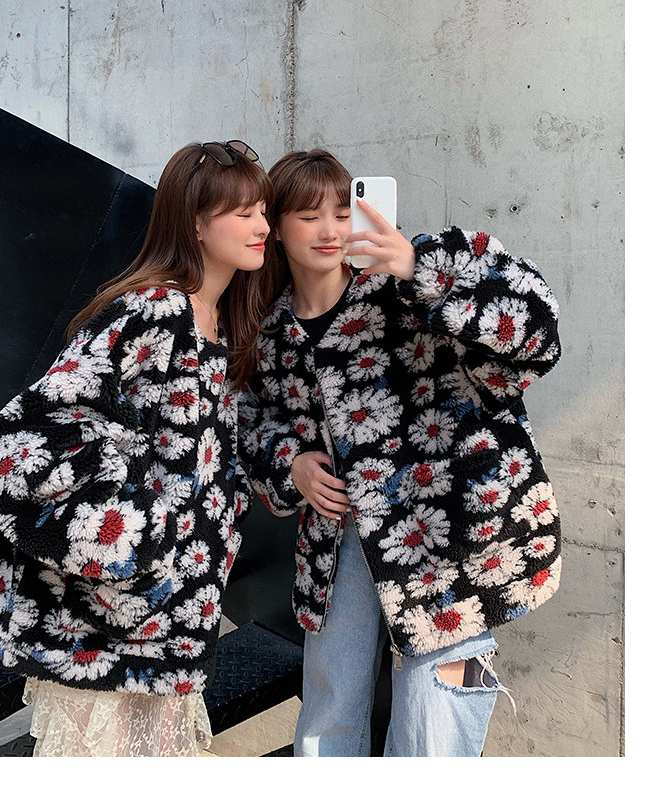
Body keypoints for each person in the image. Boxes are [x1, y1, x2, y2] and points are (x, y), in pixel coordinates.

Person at [238, 149, 562, 757]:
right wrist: (291, 465)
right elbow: (252, 424)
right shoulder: (271, 330)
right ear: (276, 227)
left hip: (442, 536)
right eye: (308, 216)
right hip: (337, 539)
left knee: (434, 716)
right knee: (329, 710)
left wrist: (422, 270)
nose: (330, 231)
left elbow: (535, 329)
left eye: (342, 212)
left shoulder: (404, 286)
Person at [0, 140, 273, 757]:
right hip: (103, 614)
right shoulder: (157, 310)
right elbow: (35, 431)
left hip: (170, 619)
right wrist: (139, 528)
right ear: (194, 222)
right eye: (244, 213)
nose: (262, 226)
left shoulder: (220, 319)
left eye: (263, 210)